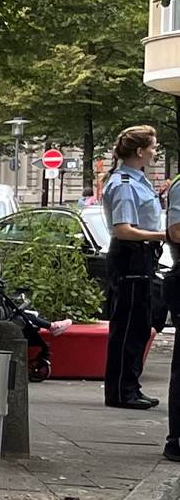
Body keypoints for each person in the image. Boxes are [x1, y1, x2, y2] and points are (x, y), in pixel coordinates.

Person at [99, 125, 163, 412]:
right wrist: (163, 236)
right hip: (131, 256)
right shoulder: (124, 183)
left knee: (138, 324)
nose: (156, 150)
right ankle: (123, 390)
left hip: (140, 256)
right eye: (153, 145)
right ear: (139, 151)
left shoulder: (137, 180)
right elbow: (124, 230)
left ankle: (129, 387)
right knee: (128, 327)